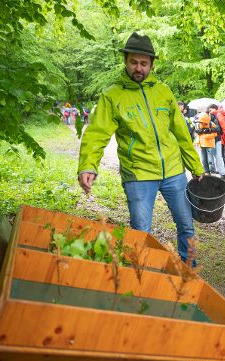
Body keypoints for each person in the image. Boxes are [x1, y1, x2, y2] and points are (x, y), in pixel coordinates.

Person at [77, 32, 204, 264]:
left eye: (144, 63)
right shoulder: (112, 95)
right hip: (138, 174)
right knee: (140, 232)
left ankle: (189, 274)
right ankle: (140, 279)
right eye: (134, 62)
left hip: (174, 171)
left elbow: (181, 133)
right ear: (126, 61)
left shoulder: (163, 92)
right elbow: (96, 134)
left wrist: (195, 165)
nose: (139, 68)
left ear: (151, 64)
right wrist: (88, 165)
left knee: (186, 225)